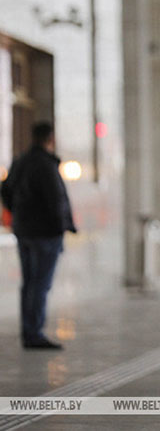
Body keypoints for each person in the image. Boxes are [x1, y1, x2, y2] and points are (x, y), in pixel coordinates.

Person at [1, 122, 76, 350]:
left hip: (24, 231)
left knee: (30, 283)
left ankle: (29, 330)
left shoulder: (21, 161)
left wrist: (18, 215)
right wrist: (61, 226)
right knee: (40, 284)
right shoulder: (45, 164)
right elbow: (56, 200)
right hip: (44, 234)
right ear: (50, 138)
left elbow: (5, 190)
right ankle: (34, 333)